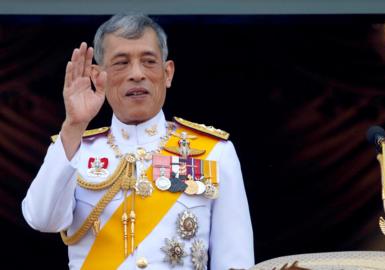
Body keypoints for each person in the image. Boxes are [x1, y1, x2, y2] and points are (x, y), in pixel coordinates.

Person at [22, 13, 254, 270]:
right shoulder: (75, 148)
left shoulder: (215, 153)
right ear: (99, 76)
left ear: (168, 73)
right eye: (121, 63)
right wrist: (73, 126)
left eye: (149, 62)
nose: (137, 74)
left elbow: (235, 262)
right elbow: (42, 219)